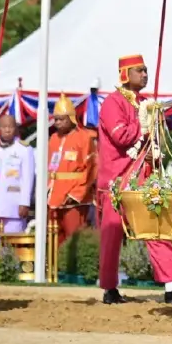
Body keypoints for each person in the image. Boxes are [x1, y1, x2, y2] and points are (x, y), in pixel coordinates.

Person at [97, 54, 172, 305]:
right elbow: (121, 137)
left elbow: (151, 142)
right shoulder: (112, 103)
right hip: (116, 180)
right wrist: (146, 125)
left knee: (156, 227)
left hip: (142, 178)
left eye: (146, 70)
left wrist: (154, 134)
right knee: (112, 235)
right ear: (125, 74)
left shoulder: (146, 103)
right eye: (140, 70)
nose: (145, 75)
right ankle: (109, 288)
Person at [47, 94, 96, 245]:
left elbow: (92, 168)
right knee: (54, 238)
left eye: (62, 119)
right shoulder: (53, 138)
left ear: (72, 118)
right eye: (56, 119)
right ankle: (53, 268)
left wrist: (76, 194)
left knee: (73, 239)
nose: (58, 122)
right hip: (53, 196)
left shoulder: (84, 137)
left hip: (74, 199)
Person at [0, 114, 35, 234]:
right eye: (3, 127)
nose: (7, 130)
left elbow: (28, 178)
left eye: (10, 127)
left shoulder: (24, 149)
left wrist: (25, 202)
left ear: (15, 128)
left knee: (12, 243)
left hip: (14, 205)